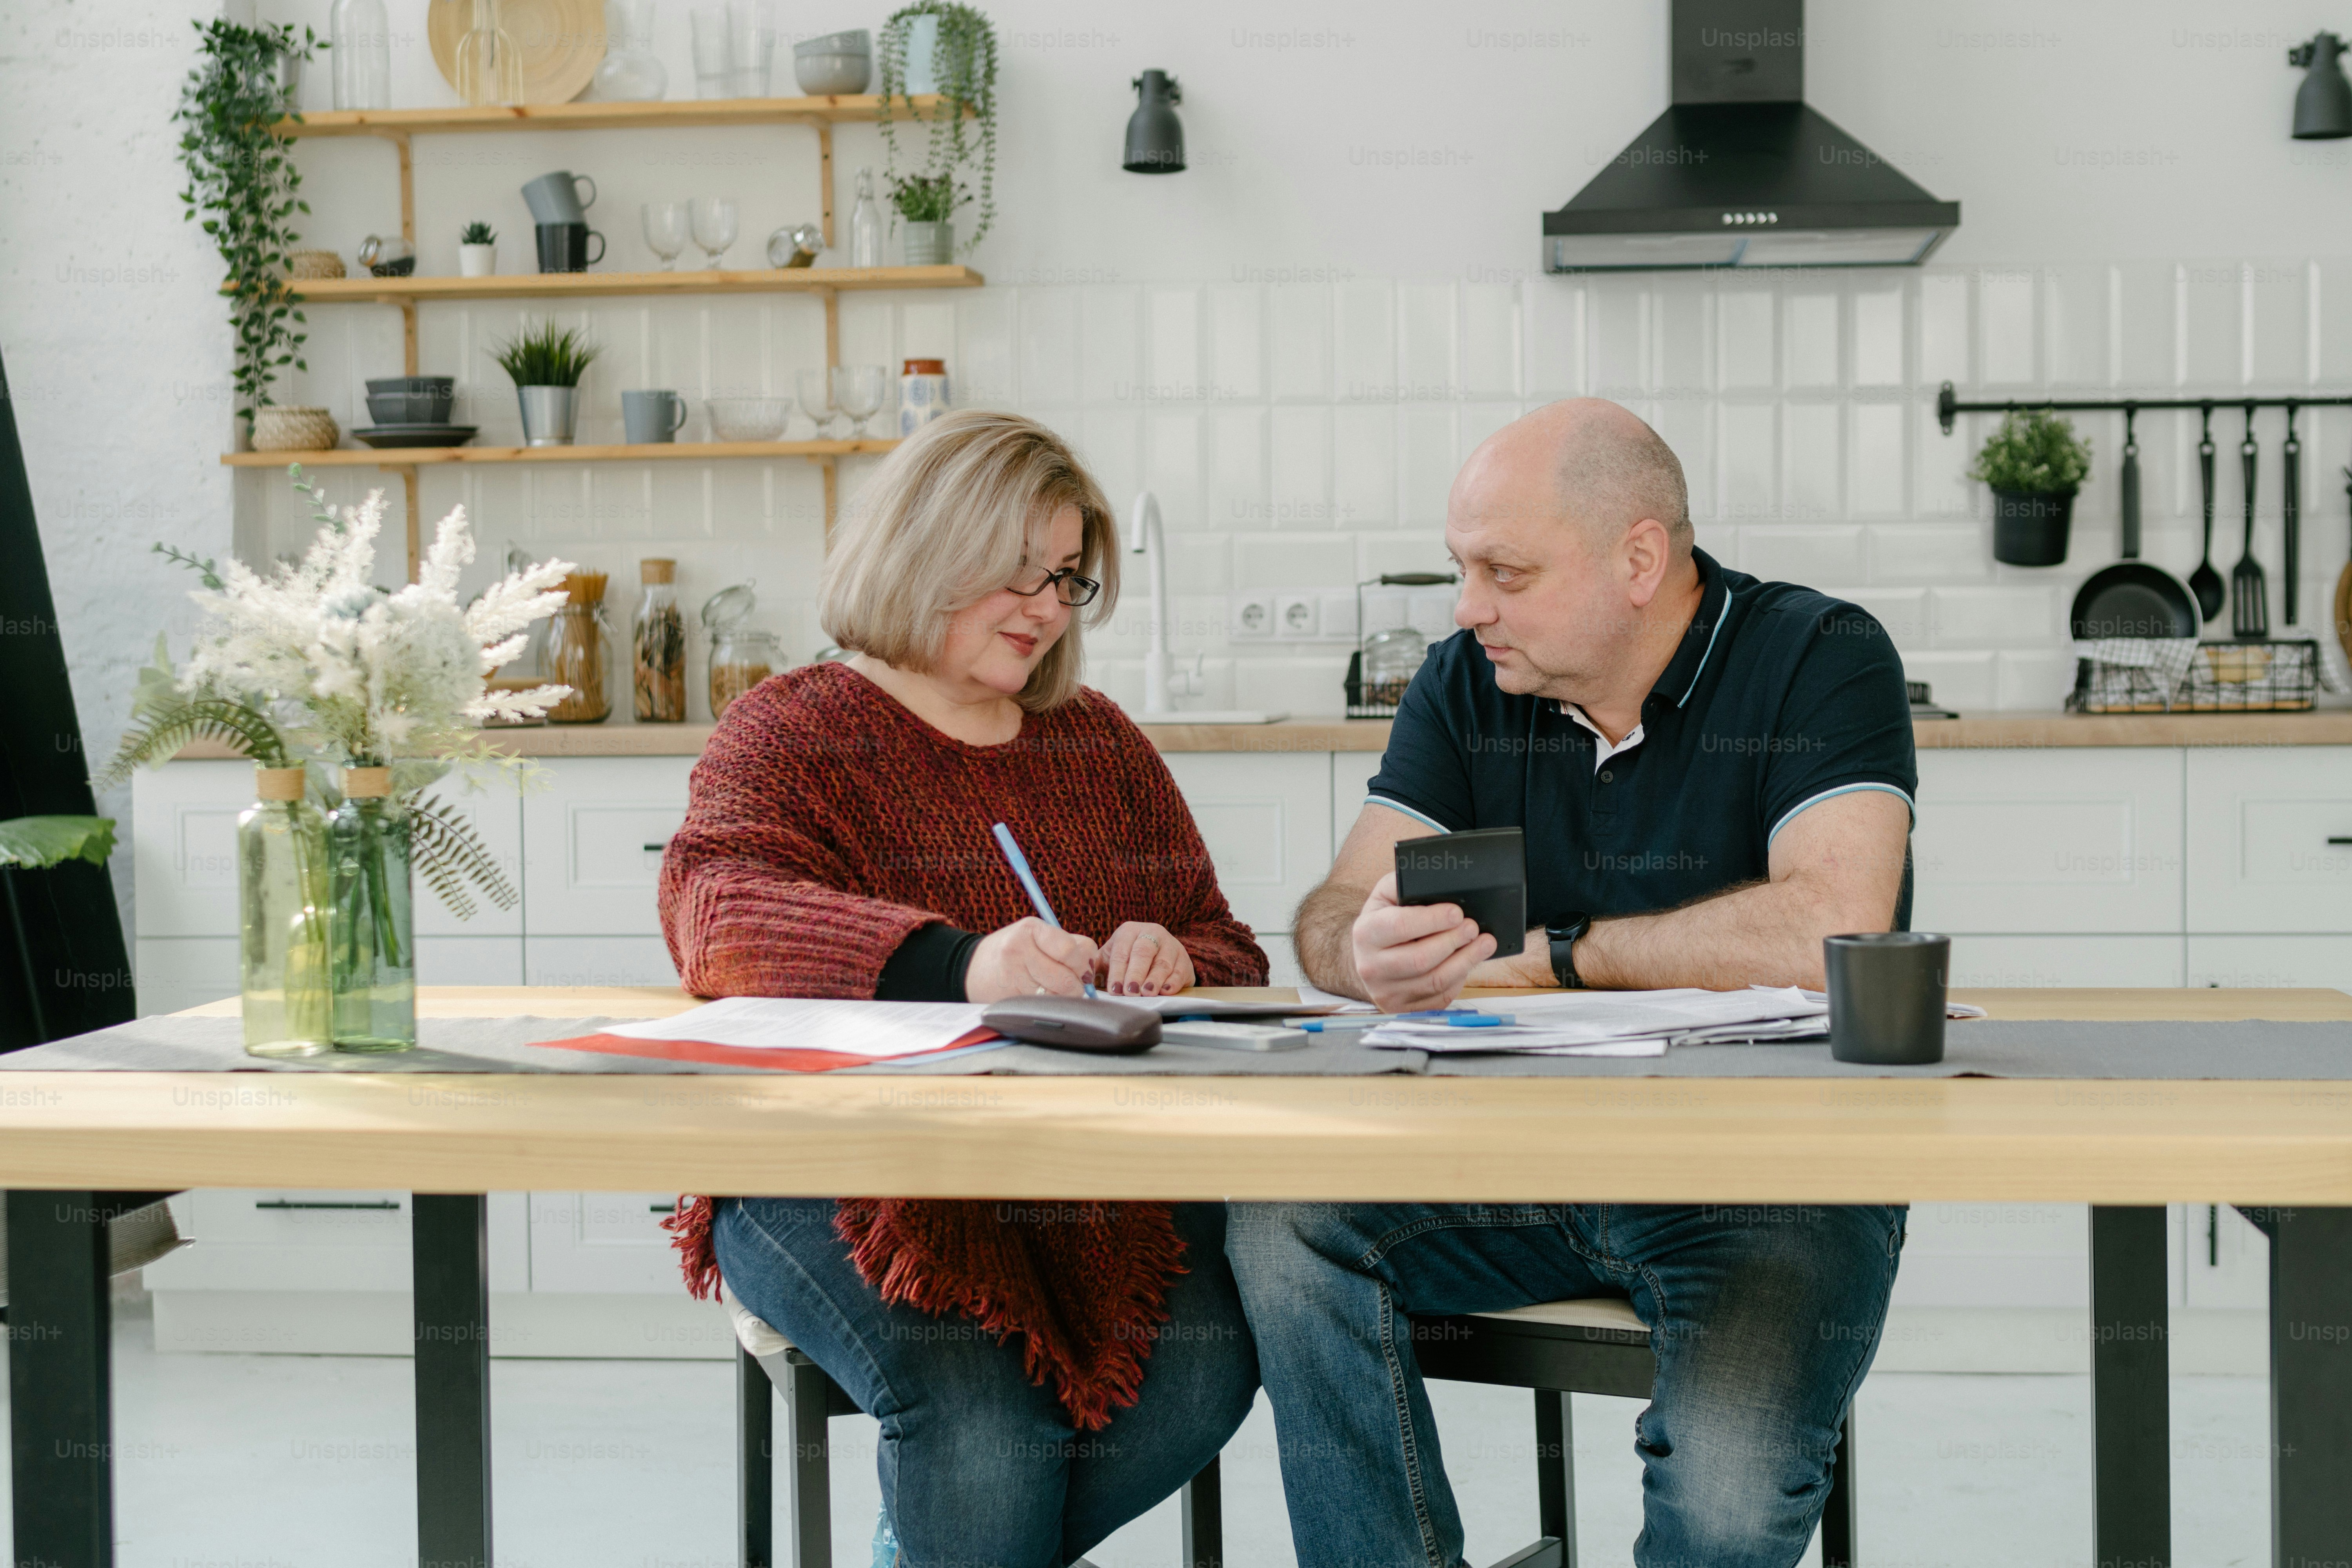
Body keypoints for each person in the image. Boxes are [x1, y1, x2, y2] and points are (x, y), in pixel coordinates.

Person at [1227, 398, 1915, 1568]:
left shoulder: (1817, 656)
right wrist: (1360, 953)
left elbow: (1831, 926)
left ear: (1639, 560)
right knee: (1281, 1218)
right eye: (1461, 569)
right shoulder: (1466, 681)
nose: (1467, 606)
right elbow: (1334, 912)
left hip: (1776, 1185)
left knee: (1730, 1504)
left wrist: (1565, 955)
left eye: (1505, 571)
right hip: (1518, 1166)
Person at [658, 410, 1265, 1568]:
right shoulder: (790, 730)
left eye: (1068, 580)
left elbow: (1227, 943)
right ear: (927, 550)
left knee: (1203, 1378)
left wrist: (1173, 953)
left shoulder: (1097, 744)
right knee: (984, 1425)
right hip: (834, 1178)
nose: (1044, 608)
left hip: (1082, 1176)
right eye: (1016, 573)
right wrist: (959, 963)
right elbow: (714, 914)